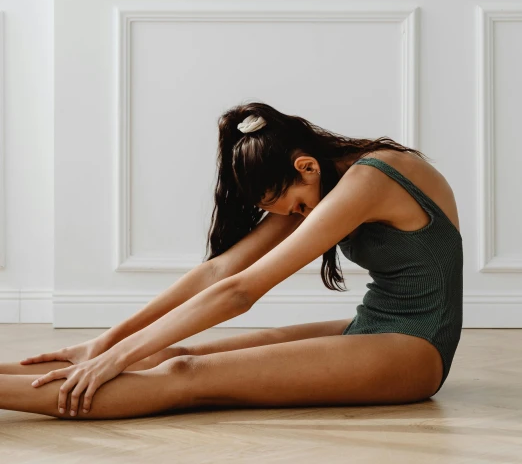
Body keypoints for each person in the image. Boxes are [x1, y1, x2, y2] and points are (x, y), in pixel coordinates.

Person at [0, 102, 463, 419]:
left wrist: (117, 356)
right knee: (169, 353)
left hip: (416, 350)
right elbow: (221, 270)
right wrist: (104, 344)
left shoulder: (372, 178)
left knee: (183, 374)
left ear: (306, 167)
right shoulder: (322, 179)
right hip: (371, 328)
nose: (297, 217)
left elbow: (242, 291)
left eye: (297, 207)